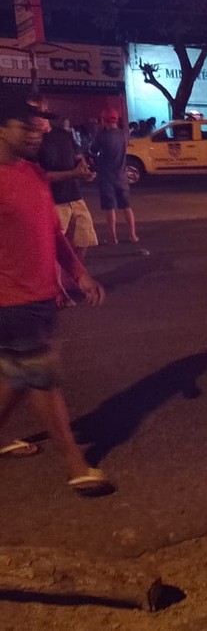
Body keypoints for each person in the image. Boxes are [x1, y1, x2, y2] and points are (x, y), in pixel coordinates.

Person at [0, 95, 113, 497]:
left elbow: (51, 232)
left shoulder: (32, 172)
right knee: (42, 379)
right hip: (12, 302)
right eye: (26, 127)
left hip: (42, 296)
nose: (36, 134)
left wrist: (79, 273)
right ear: (2, 130)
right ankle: (75, 465)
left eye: (38, 127)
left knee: (17, 376)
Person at [37, 113, 99, 306]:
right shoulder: (34, 141)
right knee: (56, 247)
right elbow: (42, 176)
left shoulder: (63, 135)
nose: (37, 119)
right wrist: (73, 173)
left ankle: (69, 279)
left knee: (83, 239)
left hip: (75, 196)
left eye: (40, 113)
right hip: (54, 200)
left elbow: (78, 158)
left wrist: (84, 170)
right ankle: (57, 291)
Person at [90, 108, 139, 244]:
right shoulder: (123, 135)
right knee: (126, 206)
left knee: (110, 208)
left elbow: (93, 149)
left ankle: (113, 237)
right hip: (121, 176)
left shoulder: (101, 135)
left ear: (104, 120)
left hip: (106, 177)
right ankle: (133, 235)